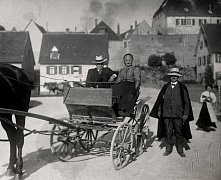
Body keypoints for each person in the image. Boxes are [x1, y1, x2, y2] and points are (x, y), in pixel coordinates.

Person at [150, 67, 194, 157]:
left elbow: (187, 102)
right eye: (172, 75)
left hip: (178, 114)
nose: (173, 77)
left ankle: (180, 149)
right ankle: (168, 149)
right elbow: (160, 100)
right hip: (166, 114)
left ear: (178, 77)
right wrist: (159, 110)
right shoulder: (165, 87)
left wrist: (185, 113)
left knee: (179, 132)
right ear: (170, 77)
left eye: (175, 76)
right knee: (168, 132)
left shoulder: (182, 87)